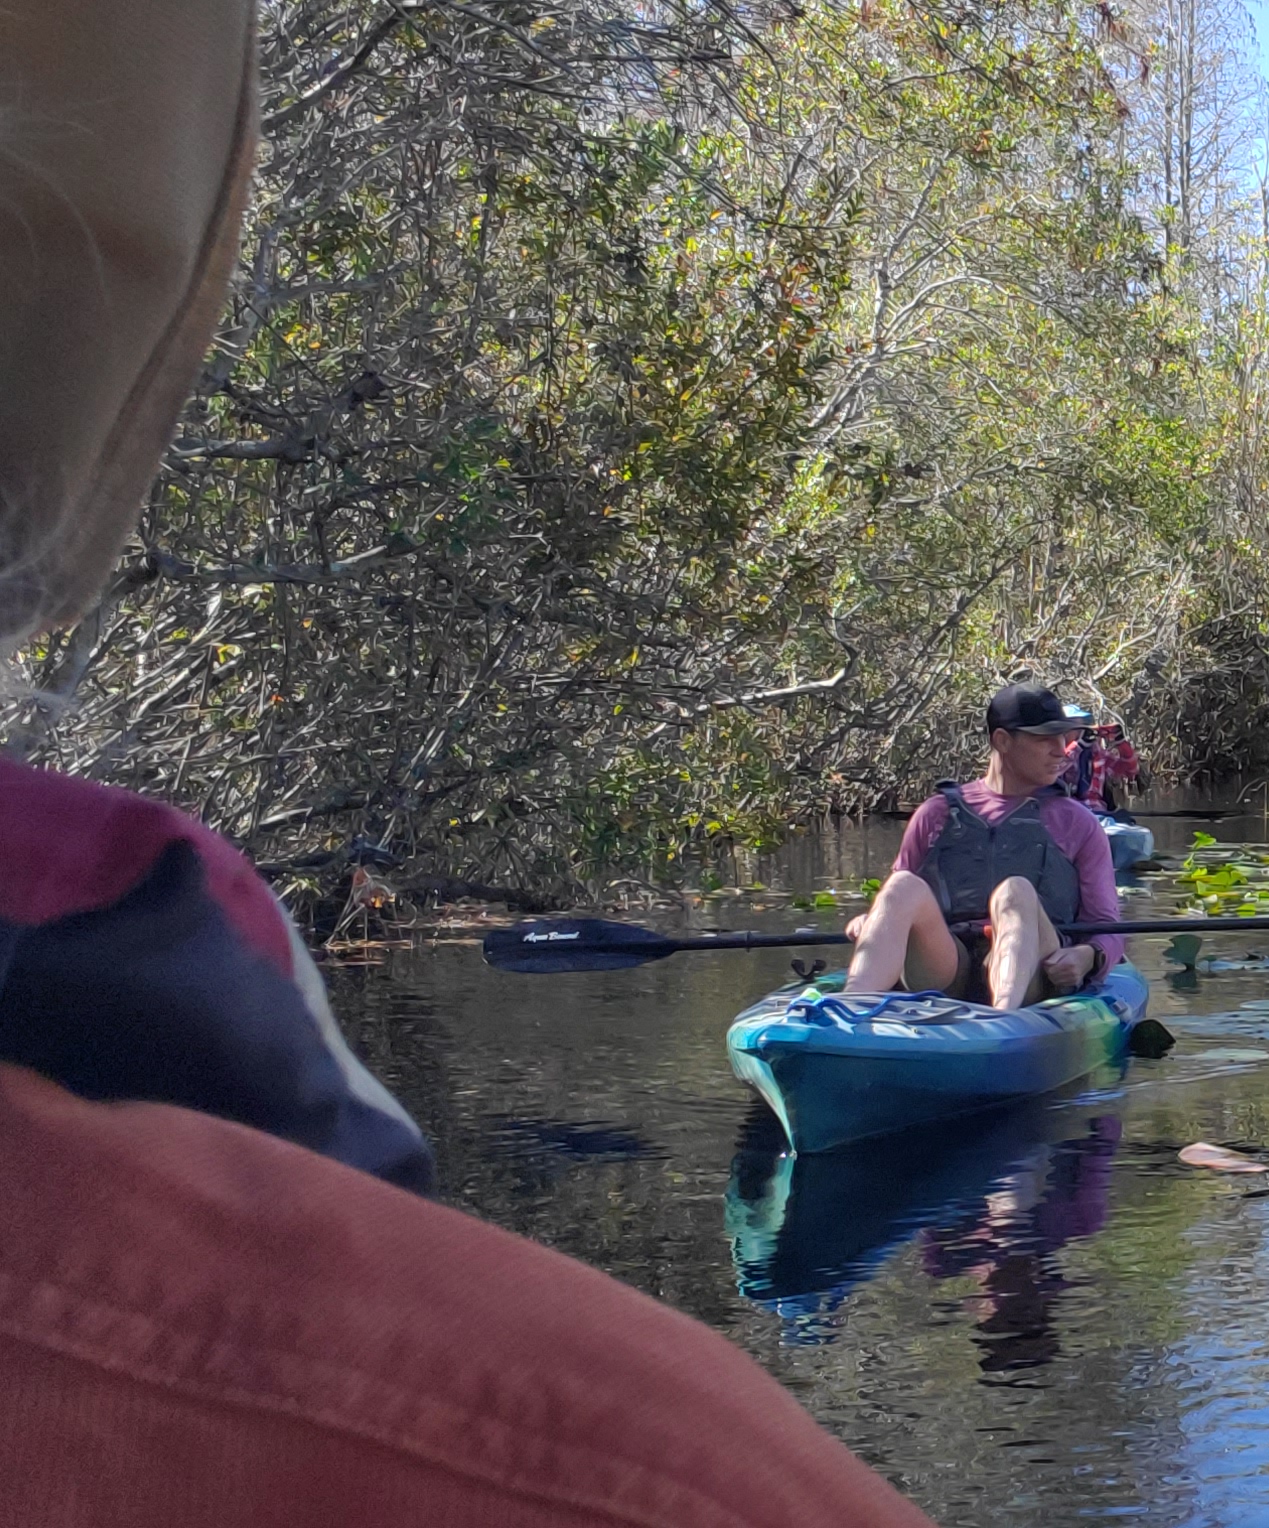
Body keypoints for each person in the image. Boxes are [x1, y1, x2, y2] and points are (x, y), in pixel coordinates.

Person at [0, 2, 935, 1521]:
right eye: (1015, 737)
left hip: (1019, 959)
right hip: (923, 965)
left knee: (1025, 923)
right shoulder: (674, 1475)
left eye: (1041, 740)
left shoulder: (1071, 840)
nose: (1023, 755)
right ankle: (872, 1021)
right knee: (898, 899)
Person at [841, 684, 1127, 1010]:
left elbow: (1108, 926)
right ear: (1002, 741)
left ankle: (1002, 1016)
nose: (1061, 750)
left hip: (1036, 968)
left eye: (1062, 737)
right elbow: (900, 900)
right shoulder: (935, 813)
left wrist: (1089, 955)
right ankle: (848, 1010)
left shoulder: (1077, 823)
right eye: (1043, 738)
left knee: (1014, 891)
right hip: (949, 963)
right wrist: (876, 919)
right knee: (901, 886)